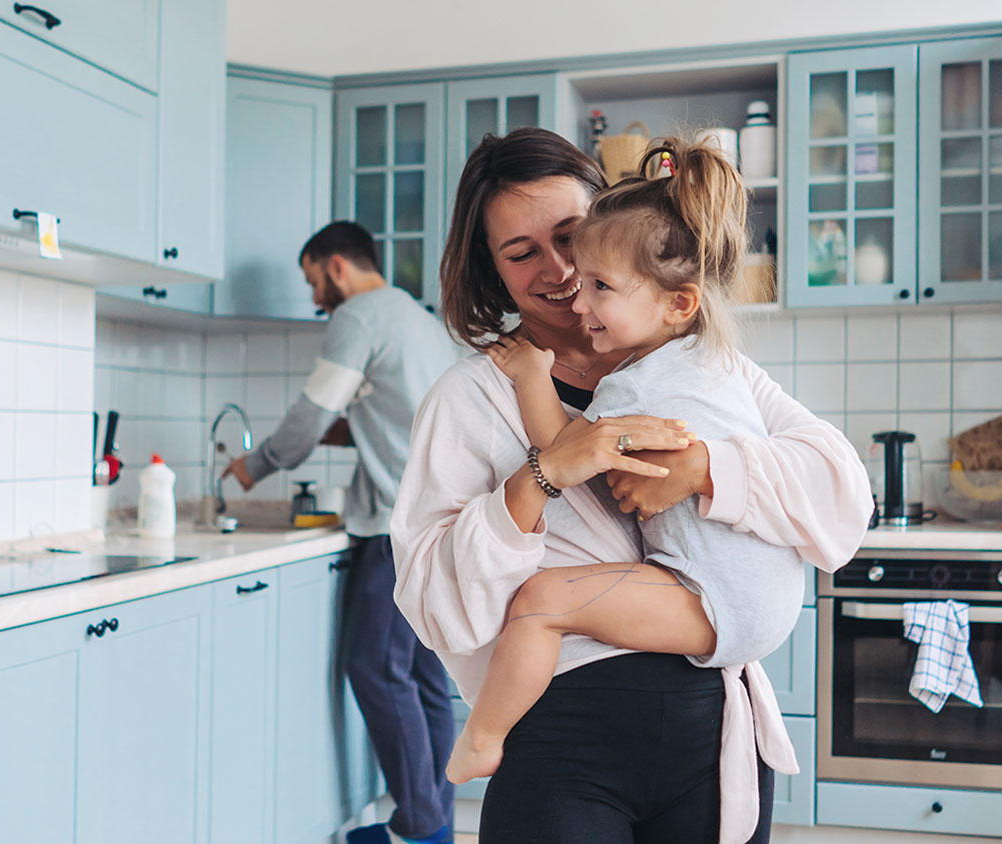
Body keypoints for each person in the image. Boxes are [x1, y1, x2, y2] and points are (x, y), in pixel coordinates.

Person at [390, 128, 872, 844]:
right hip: (563, 745)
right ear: (491, 270)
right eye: (521, 253)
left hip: (714, 736)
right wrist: (540, 478)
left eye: (573, 238)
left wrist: (708, 468)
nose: (558, 272)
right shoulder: (470, 400)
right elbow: (437, 608)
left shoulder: (709, 367)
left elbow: (843, 495)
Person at [445, 137, 810, 789]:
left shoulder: (637, 383)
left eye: (597, 282)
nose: (572, 291)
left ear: (677, 303)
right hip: (758, 597)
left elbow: (565, 446)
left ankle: (483, 738)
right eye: (524, 253)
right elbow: (442, 594)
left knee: (540, 602)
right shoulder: (705, 363)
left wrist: (532, 377)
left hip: (723, 600)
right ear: (490, 267)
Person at [221, 220, 462, 844]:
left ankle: (418, 827)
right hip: (442, 523)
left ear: (334, 267)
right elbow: (384, 419)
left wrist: (258, 463)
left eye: (312, 281)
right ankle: (433, 818)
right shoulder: (417, 319)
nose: (313, 298)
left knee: (376, 668)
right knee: (428, 679)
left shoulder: (359, 315)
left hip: (393, 527)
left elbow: (312, 412)